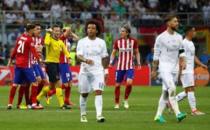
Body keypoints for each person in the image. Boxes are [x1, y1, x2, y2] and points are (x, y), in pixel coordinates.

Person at [151, 14, 187, 123]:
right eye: (175, 21)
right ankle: (178, 113)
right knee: (172, 88)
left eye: (177, 21)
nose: (177, 23)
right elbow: (156, 55)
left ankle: (158, 116)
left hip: (175, 68)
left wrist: (183, 61)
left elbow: (181, 51)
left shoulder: (179, 37)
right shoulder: (161, 38)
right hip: (164, 67)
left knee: (166, 93)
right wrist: (154, 70)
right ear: (169, 23)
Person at [76, 20, 109, 123]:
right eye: (89, 28)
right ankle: (83, 114)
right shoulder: (82, 41)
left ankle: (99, 115)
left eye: (93, 28)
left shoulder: (101, 42)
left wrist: (106, 70)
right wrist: (85, 60)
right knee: (84, 93)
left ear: (97, 30)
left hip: (98, 71)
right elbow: (78, 56)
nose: (90, 29)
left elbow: (104, 57)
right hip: (85, 71)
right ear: (86, 30)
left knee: (98, 92)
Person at [36, 24, 71, 109]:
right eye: (55, 31)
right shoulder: (50, 39)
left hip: (56, 64)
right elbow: (46, 43)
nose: (57, 32)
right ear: (52, 32)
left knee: (51, 86)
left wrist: (69, 57)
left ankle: (37, 98)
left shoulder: (60, 42)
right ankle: (62, 104)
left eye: (58, 31)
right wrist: (48, 33)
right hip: (50, 64)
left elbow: (65, 51)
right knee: (59, 84)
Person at [7, 23, 41, 109]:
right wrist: (39, 60)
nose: (34, 31)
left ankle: (10, 104)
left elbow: (15, 50)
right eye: (34, 29)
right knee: (35, 82)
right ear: (30, 30)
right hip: (26, 65)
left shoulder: (20, 38)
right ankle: (33, 104)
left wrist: (10, 60)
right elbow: (34, 52)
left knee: (15, 84)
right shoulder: (29, 40)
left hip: (18, 65)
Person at [176, 26, 207, 115]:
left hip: (190, 69)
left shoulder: (191, 43)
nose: (195, 33)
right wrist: (180, 70)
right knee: (191, 89)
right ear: (189, 32)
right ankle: (194, 110)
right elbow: (180, 57)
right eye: (193, 31)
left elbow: (193, 56)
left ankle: (170, 102)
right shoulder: (183, 43)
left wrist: (201, 64)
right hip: (186, 70)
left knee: (187, 91)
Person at [109, 24, 141, 109]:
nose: (121, 32)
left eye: (123, 31)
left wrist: (138, 63)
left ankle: (126, 100)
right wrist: (111, 62)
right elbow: (113, 53)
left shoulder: (133, 41)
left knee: (129, 83)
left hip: (130, 65)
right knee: (117, 85)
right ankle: (116, 103)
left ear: (127, 33)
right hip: (120, 66)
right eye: (121, 31)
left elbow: (137, 52)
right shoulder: (117, 42)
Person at [46, 27, 79, 106]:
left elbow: (77, 38)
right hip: (61, 62)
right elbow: (68, 30)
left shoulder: (67, 39)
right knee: (66, 84)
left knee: (70, 83)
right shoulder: (61, 38)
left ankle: (67, 100)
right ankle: (50, 93)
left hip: (65, 62)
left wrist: (70, 33)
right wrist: (66, 29)